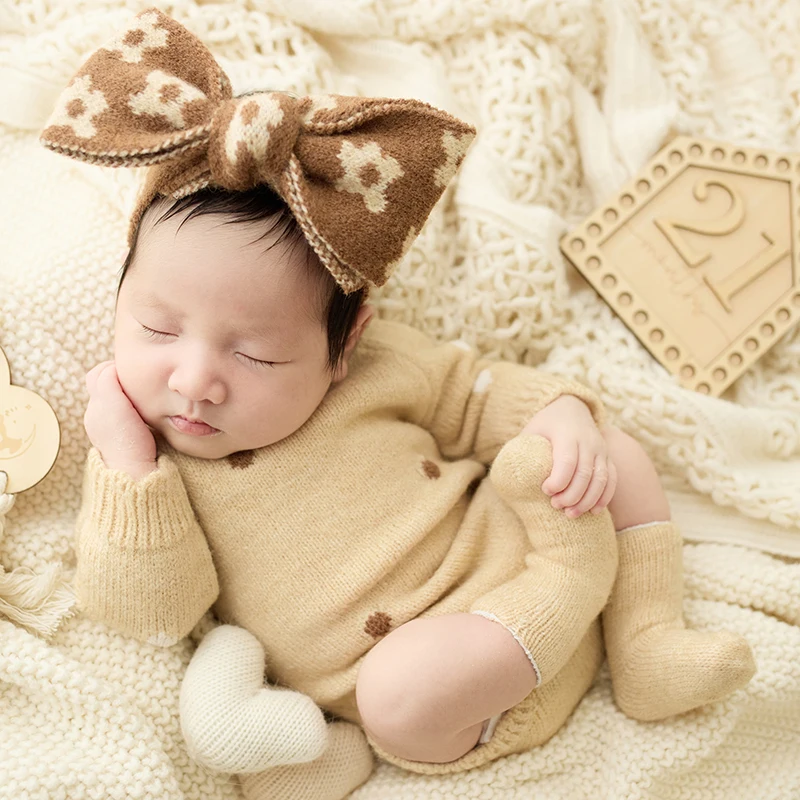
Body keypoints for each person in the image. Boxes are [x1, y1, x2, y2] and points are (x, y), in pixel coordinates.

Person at [43, 8, 756, 800]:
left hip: (511, 557)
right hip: (450, 700)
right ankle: (576, 575)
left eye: (257, 354)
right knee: (394, 693)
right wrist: (127, 464)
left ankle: (646, 636)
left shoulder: (378, 367)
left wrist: (557, 416)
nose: (195, 379)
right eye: (156, 328)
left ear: (341, 351)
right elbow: (155, 612)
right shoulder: (149, 456)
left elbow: (477, 391)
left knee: (605, 446)